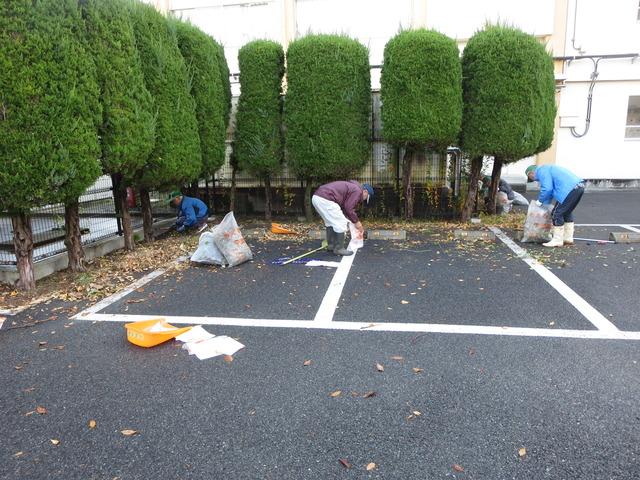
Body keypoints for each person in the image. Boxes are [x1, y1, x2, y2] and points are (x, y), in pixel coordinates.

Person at [525, 165, 585, 247]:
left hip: (569, 189)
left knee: (556, 213)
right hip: (578, 186)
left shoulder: (541, 171)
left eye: (531, 178)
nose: (534, 180)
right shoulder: (547, 169)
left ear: (531, 173)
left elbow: (547, 189)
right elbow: (549, 193)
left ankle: (557, 240)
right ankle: (567, 238)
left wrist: (540, 201)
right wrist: (544, 206)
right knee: (567, 212)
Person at [312, 181, 373, 256]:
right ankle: (339, 249)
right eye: (366, 197)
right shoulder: (358, 191)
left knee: (330, 222)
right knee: (341, 223)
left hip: (317, 197)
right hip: (326, 199)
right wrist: (357, 222)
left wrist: (351, 220)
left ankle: (331, 246)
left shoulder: (353, 187)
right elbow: (348, 208)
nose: (364, 199)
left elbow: (345, 207)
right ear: (365, 191)